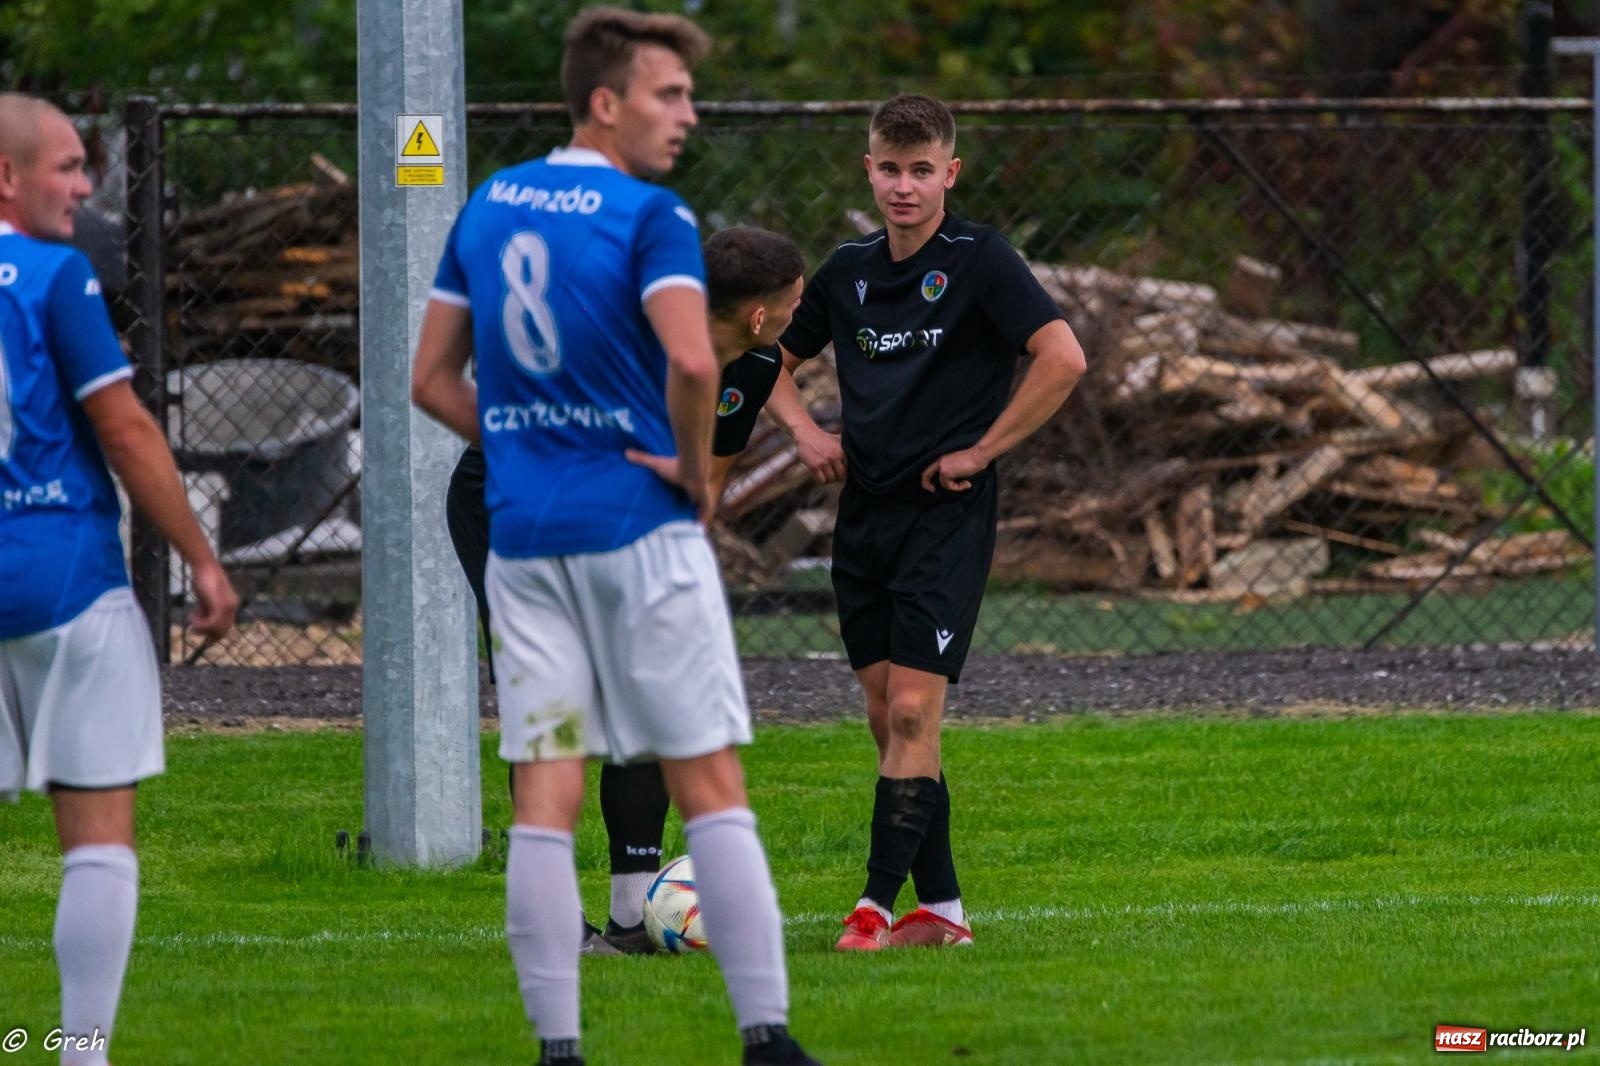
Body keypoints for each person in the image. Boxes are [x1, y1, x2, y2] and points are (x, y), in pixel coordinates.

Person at [409, 10, 819, 1066]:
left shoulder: (489, 206)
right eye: (666, 94)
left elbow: (428, 381)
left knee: (545, 790)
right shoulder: (651, 216)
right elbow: (693, 362)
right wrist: (688, 468)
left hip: (526, 536)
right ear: (604, 102)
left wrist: (521, 437)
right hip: (635, 530)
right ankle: (766, 1037)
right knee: (708, 777)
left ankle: (559, 1047)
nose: (685, 114)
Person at [769, 93, 1087, 951]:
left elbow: (1063, 357)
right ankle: (942, 913)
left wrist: (983, 451)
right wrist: (803, 430)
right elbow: (764, 357)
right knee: (888, 724)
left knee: (912, 714)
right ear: (868, 170)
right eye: (889, 169)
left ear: (950, 173)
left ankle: (871, 910)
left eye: (921, 171)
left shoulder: (981, 260)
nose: (904, 186)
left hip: (945, 518)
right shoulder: (845, 270)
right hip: (863, 519)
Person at [443, 225, 807, 957]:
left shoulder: (757, 363)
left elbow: (702, 477)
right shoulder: (619, 341)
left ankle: (631, 919)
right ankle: (551, 924)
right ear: (761, 312)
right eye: (798, 301)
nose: (804, 312)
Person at [0, 94, 239, 1066]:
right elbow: (127, 426)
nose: (85, 184)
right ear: (6, 176)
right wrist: (203, 558)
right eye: (64, 165)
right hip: (60, 577)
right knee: (96, 834)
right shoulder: (54, 277)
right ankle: (80, 1051)